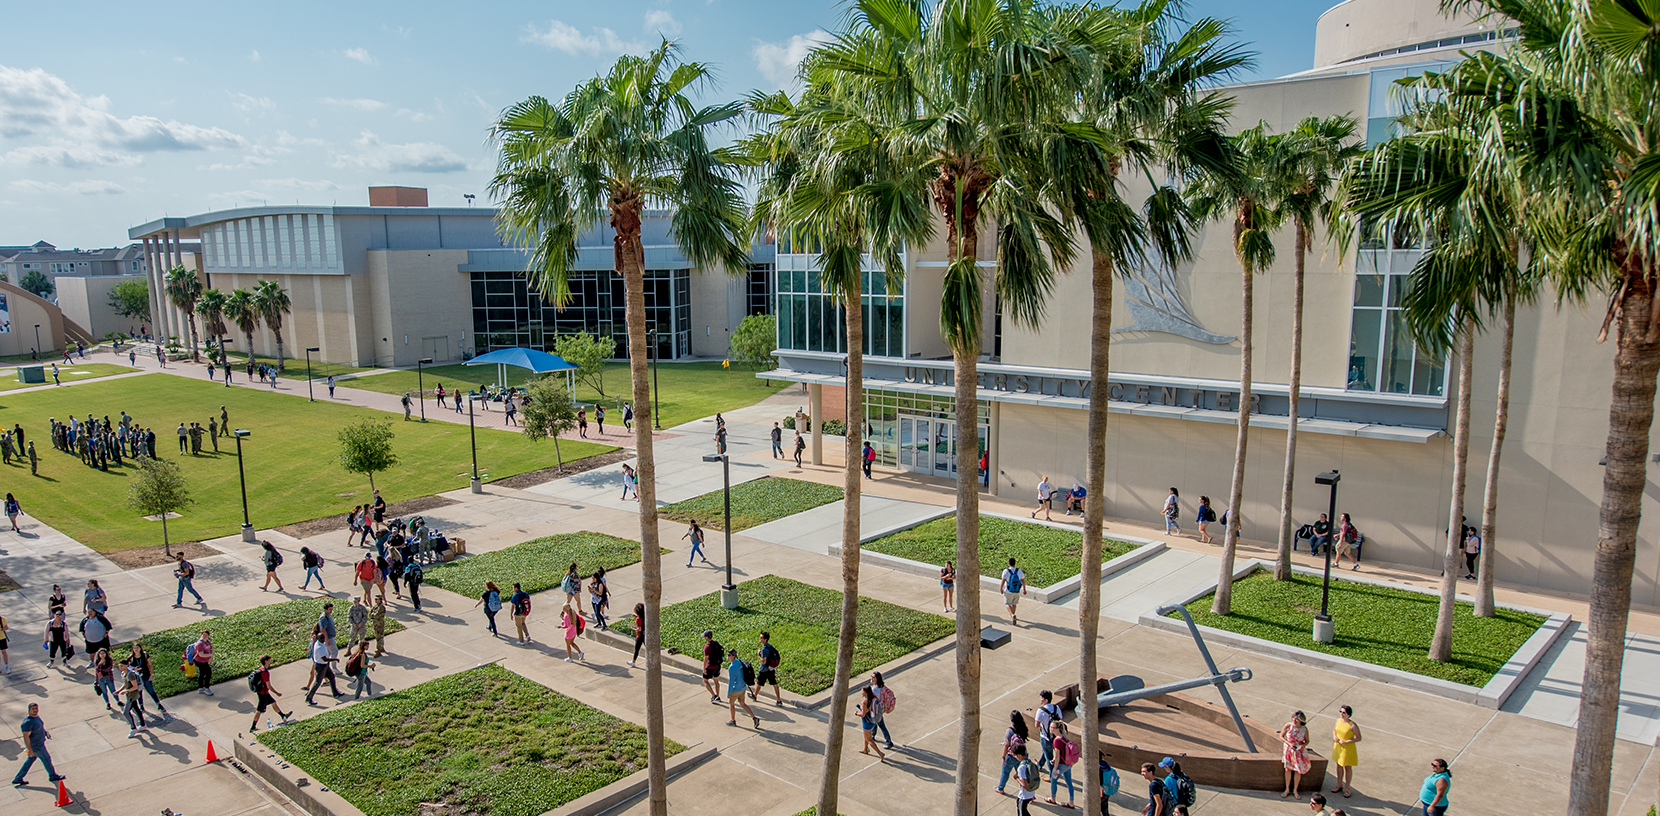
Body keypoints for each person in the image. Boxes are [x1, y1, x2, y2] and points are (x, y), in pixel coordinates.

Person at [11, 703, 63, 787]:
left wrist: (45, 732)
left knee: (30, 761)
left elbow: (40, 727)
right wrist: (30, 750)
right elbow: (26, 737)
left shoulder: (36, 717)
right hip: (36, 746)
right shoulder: (28, 722)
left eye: (36, 708)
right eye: (33, 709)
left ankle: (18, 778)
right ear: (29, 710)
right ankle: (52, 776)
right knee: (46, 759)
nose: (35, 710)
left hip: (39, 743)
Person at [125, 644, 169, 722]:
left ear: (140, 648)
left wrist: (151, 674)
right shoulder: (131, 657)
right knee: (139, 692)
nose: (136, 649)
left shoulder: (145, 655)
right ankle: (141, 706)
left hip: (146, 675)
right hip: (137, 677)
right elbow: (127, 666)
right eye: (134, 648)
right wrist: (134, 668)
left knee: (151, 690)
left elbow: (150, 665)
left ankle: (159, 704)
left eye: (137, 648)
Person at [249, 654, 291, 732]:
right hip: (263, 693)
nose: (271, 661)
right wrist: (277, 693)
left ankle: (283, 716)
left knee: (273, 702)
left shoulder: (260, 669)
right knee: (259, 710)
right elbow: (269, 686)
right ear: (266, 661)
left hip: (262, 692)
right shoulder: (265, 672)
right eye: (269, 660)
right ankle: (253, 727)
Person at [995, 709, 1029, 795]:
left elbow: (1006, 745)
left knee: (1005, 772)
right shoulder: (1023, 728)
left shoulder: (1010, 731)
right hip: (1022, 755)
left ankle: (1001, 788)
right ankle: (1027, 791)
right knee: (1022, 774)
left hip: (1011, 756)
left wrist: (1003, 756)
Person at [1331, 705, 1361, 798]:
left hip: (1347, 749)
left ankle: (1347, 788)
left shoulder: (1352, 725)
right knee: (1338, 765)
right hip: (1338, 746)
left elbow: (1358, 738)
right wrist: (1334, 737)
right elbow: (1334, 730)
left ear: (1348, 715)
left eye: (1344, 713)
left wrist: (1347, 741)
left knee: (1347, 767)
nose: (1341, 714)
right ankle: (1339, 784)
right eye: (1340, 712)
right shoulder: (1338, 720)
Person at [304, 630, 342, 704]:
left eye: (323, 637)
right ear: (318, 639)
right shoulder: (319, 647)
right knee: (317, 683)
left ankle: (335, 693)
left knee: (331, 677)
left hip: (325, 664)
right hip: (320, 666)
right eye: (321, 638)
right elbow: (325, 658)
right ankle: (309, 698)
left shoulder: (321, 643)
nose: (323, 639)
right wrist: (335, 659)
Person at [727, 648, 760, 728]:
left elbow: (731, 681)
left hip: (736, 689)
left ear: (733, 656)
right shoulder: (739, 662)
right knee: (742, 703)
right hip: (743, 687)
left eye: (729, 655)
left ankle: (733, 721)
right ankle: (754, 718)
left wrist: (729, 692)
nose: (727, 657)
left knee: (731, 704)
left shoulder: (731, 667)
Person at [1281, 710, 1311, 798]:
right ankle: (1287, 789)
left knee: (1298, 770)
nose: (1294, 720)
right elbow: (1281, 736)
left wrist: (1302, 746)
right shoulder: (1288, 726)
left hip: (1298, 751)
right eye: (1294, 718)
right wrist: (1289, 743)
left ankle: (1295, 790)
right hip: (1288, 750)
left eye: (1297, 719)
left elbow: (1307, 740)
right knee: (1288, 769)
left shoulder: (1304, 729)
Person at [1047, 720, 1077, 808]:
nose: (1050, 728)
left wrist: (1055, 769)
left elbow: (1058, 756)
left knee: (1053, 780)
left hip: (1061, 765)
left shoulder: (1056, 741)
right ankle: (1071, 802)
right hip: (1068, 764)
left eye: (1052, 727)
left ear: (1057, 729)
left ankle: (1053, 798)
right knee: (1069, 782)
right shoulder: (1065, 737)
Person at [1034, 689, 1062, 774]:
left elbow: (1036, 725)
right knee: (1046, 751)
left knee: (1049, 757)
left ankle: (1052, 775)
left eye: (1041, 698)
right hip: (1055, 736)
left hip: (1045, 737)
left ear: (1046, 700)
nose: (1040, 699)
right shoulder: (1056, 707)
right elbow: (1060, 719)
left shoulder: (1041, 711)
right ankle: (1039, 764)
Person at [119, 664, 150, 737]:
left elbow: (135, 686)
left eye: (121, 666)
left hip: (132, 696)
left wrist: (126, 691)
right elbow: (125, 684)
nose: (120, 667)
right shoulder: (123, 674)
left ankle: (133, 728)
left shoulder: (131, 675)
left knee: (126, 712)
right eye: (120, 666)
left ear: (126, 666)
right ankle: (143, 725)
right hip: (129, 695)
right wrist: (119, 690)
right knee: (136, 709)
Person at [870, 670, 897, 748]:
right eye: (871, 677)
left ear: (877, 679)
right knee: (874, 723)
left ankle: (889, 741)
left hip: (876, 710)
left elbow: (871, 700)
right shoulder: (882, 687)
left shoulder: (874, 689)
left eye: (873, 677)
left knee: (882, 726)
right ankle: (872, 735)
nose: (871, 678)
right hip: (880, 709)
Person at [856, 686, 885, 759]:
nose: (861, 693)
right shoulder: (874, 698)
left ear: (865, 693)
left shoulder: (864, 702)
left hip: (866, 722)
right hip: (873, 720)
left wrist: (856, 714)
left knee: (869, 739)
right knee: (866, 735)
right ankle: (865, 749)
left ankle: (880, 753)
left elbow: (863, 714)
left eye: (862, 691)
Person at [1012, 744, 1038, 814]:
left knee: (1021, 811)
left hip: (1024, 795)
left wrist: (1016, 778)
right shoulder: (1030, 763)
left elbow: (1025, 785)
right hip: (1031, 793)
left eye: (1015, 755)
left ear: (1019, 755)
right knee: (1022, 808)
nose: (1015, 757)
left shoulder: (1021, 767)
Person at [701, 630, 725, 702]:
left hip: (710, 667)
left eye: (705, 637)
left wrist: (704, 668)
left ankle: (713, 695)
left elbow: (706, 659)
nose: (704, 638)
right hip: (717, 666)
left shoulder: (707, 647)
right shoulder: (716, 643)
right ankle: (718, 695)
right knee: (716, 680)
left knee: (705, 681)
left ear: (707, 637)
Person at [1002, 557, 1027, 625]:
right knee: (1014, 604)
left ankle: (1012, 615)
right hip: (1017, 591)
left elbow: (1003, 581)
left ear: (1008, 563)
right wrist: (1024, 589)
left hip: (1008, 591)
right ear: (1015, 563)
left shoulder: (1006, 571)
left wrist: (1001, 588)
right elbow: (1023, 581)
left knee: (1007, 604)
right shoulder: (1019, 571)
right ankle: (1013, 615)